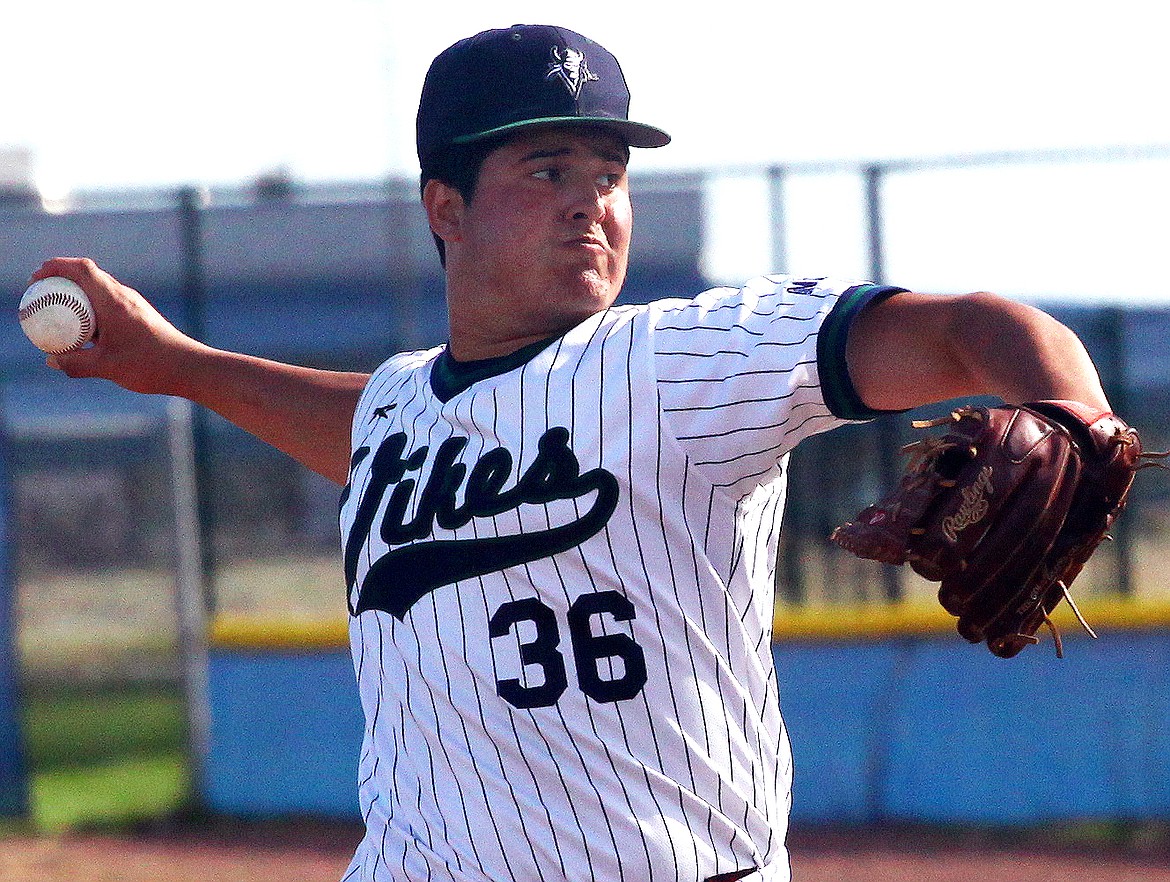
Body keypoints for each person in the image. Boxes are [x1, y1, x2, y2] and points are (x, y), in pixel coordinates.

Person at [32, 24, 1111, 882]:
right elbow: (369, 430)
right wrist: (174, 364)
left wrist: (1072, 413)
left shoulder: (682, 364)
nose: (591, 197)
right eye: (546, 169)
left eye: (608, 170)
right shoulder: (408, 410)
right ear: (443, 207)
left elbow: (975, 325)